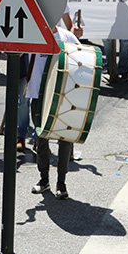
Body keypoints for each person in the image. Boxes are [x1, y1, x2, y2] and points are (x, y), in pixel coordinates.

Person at [28, 24, 80, 200]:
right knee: (41, 140)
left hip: (63, 97)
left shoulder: (68, 38)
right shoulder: (32, 34)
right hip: (38, 96)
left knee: (64, 140)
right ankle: (44, 180)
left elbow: (82, 63)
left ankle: (61, 182)